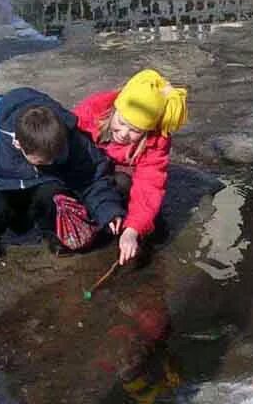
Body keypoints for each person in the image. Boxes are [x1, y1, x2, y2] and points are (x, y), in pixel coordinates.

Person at [0, 88, 126, 257]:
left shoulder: (71, 139)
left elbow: (93, 176)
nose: (51, 162)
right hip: (1, 187)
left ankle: (56, 237)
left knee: (52, 194)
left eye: (55, 158)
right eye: (44, 161)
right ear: (18, 144)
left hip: (48, 188)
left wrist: (107, 210)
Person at [73, 69, 188, 265]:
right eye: (121, 122)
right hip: (93, 167)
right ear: (115, 109)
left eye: (135, 130)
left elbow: (149, 185)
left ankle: (126, 219)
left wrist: (133, 229)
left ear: (147, 131)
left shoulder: (156, 142)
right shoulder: (94, 109)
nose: (124, 134)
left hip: (120, 175)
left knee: (123, 184)